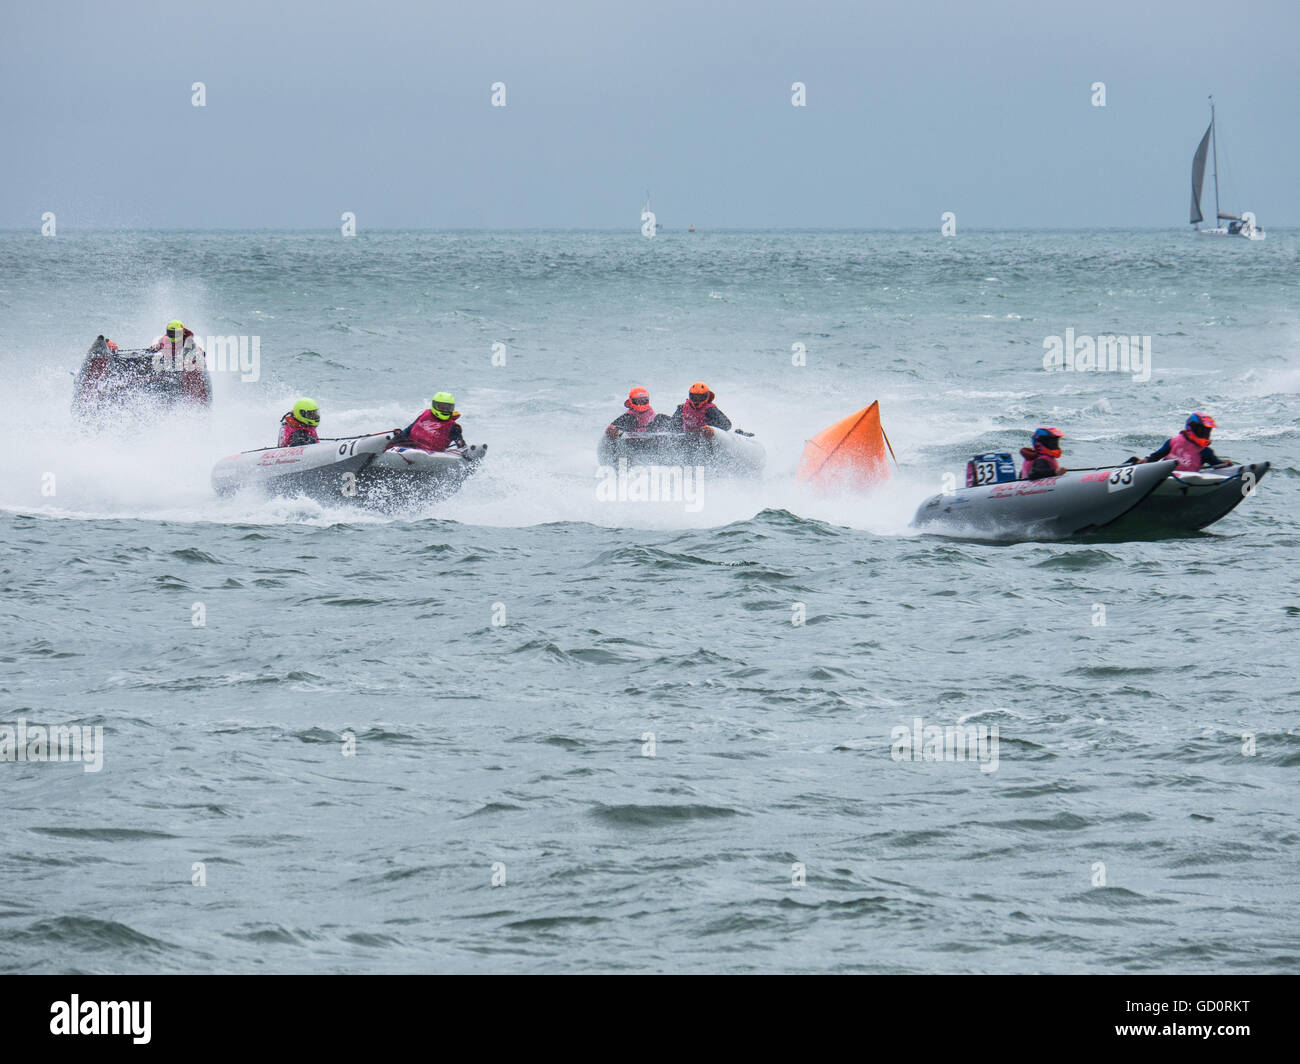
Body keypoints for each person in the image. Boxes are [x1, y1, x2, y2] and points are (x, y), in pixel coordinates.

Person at [1134, 413, 1231, 472]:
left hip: (1187, 482)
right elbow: (1155, 457)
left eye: (1206, 432)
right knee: (1134, 459)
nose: (1204, 434)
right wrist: (1144, 462)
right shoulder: (1174, 441)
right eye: (1201, 431)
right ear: (1191, 428)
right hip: (1164, 477)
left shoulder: (1206, 452)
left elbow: (1218, 466)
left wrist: (1226, 464)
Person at [392, 391, 466, 452]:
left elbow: (459, 441)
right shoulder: (425, 415)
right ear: (434, 405)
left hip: (433, 454)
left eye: (448, 408)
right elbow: (409, 429)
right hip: (410, 446)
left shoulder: (453, 426)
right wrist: (400, 434)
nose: (445, 410)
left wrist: (460, 443)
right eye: (442, 407)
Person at [605, 386, 669, 438]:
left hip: (652, 433)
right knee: (630, 419)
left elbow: (656, 422)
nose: (641, 404)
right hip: (634, 438)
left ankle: (677, 426)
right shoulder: (629, 416)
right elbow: (615, 424)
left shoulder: (650, 410)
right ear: (631, 401)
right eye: (638, 401)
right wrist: (612, 429)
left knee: (660, 417)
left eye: (643, 401)